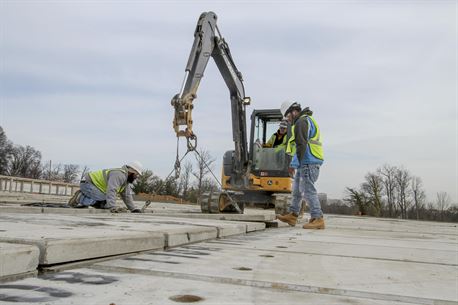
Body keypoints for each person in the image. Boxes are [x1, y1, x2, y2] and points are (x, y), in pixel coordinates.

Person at [276, 100, 325, 229]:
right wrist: (295, 163)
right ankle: (293, 215)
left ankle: (318, 218)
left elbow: (301, 145)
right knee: (297, 190)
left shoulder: (302, 122)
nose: (287, 119)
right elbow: (299, 146)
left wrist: (293, 164)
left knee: (307, 190)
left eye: (287, 116)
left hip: (308, 162)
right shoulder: (304, 121)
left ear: (293, 111)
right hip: (304, 162)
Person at [68, 161, 144, 213]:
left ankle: (86, 198)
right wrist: (112, 207)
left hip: (94, 187)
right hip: (87, 183)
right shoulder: (119, 175)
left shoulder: (125, 181)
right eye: (136, 174)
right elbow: (111, 190)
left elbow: (127, 195)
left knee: (104, 204)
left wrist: (133, 209)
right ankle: (80, 197)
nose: (136, 177)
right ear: (132, 172)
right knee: (105, 199)